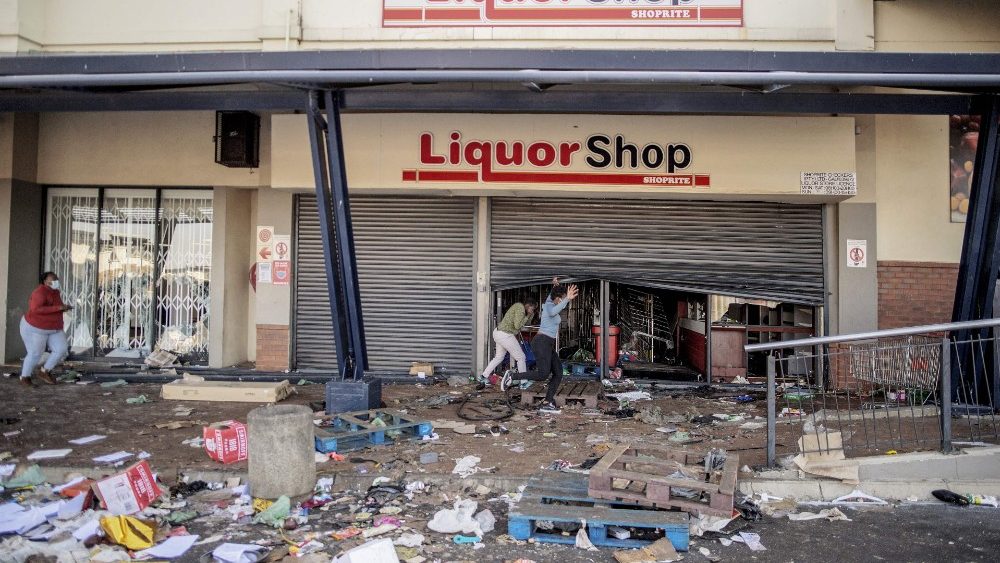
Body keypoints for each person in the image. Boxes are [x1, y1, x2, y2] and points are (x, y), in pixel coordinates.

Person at [502, 277, 578, 413]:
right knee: (543, 374)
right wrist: (567, 299)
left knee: (558, 372)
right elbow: (553, 312)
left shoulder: (551, 300)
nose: (564, 301)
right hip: (541, 342)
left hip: (547, 343)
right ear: (558, 299)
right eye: (562, 298)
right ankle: (512, 377)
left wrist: (555, 285)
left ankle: (548, 402)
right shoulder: (549, 306)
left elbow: (553, 296)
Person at [19, 272, 72, 387]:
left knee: (61, 348)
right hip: (35, 328)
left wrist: (63, 307)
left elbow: (56, 306)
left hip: (53, 327)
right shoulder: (39, 292)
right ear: (45, 281)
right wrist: (58, 308)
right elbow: (36, 309)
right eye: (52, 280)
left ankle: (44, 371)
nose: (55, 282)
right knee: (35, 353)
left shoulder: (55, 292)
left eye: (56, 279)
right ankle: (25, 377)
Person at [482, 301, 536, 381]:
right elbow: (517, 325)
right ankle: (523, 381)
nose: (533, 310)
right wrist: (528, 315)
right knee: (521, 357)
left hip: (499, 333)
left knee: (499, 357)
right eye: (533, 308)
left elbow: (525, 323)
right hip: (505, 334)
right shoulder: (520, 307)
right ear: (528, 305)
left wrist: (530, 315)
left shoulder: (520, 309)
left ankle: (484, 376)